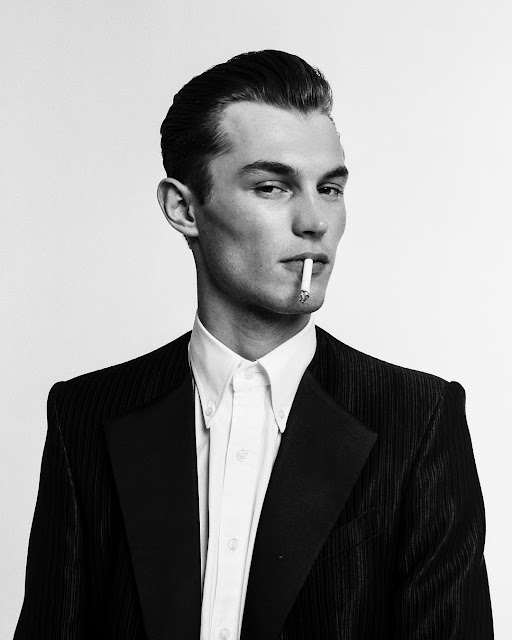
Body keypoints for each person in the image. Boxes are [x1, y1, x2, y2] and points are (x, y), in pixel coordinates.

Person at [15, 50, 493, 639]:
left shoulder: (419, 420)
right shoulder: (86, 415)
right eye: (272, 187)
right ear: (183, 208)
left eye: (330, 188)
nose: (315, 221)